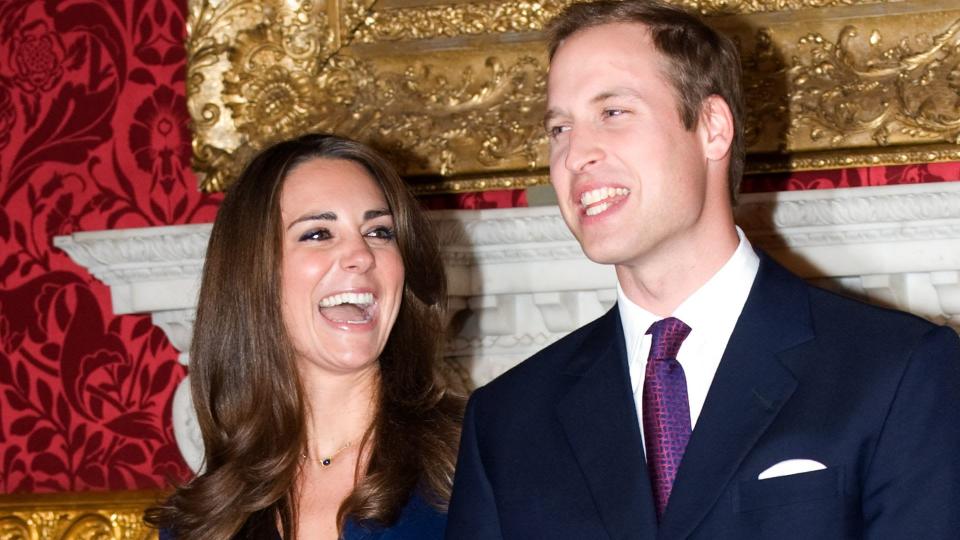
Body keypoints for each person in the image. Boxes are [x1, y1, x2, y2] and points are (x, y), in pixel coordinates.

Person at [445, 1, 960, 538]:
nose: (575, 155)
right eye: (558, 129)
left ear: (712, 127)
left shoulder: (897, 371)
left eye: (613, 113)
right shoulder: (506, 420)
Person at [145, 133, 463, 539]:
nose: (363, 255)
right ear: (255, 274)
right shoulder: (204, 520)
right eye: (318, 234)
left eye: (380, 232)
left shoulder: (478, 456)